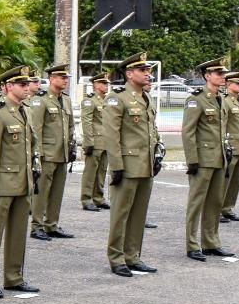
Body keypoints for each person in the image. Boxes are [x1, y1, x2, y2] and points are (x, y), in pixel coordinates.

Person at [0, 66, 39, 297]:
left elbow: (30, 148)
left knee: (18, 233)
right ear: (8, 86)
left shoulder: (26, 111)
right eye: (21, 84)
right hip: (2, 183)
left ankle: (14, 277)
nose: (26, 88)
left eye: (27, 84)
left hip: (23, 182)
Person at [105, 53, 161, 277]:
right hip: (127, 165)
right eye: (142, 70)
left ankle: (133, 255)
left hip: (145, 164)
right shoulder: (117, 98)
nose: (148, 74)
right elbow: (111, 135)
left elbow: (151, 131)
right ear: (129, 73)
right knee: (121, 214)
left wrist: (156, 155)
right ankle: (116, 257)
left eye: (148, 70)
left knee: (139, 214)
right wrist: (116, 166)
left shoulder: (145, 98)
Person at [180, 57, 233, 261]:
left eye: (223, 73)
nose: (223, 77)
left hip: (218, 158)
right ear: (207, 76)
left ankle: (211, 241)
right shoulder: (196, 99)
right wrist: (192, 160)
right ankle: (192, 244)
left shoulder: (221, 99)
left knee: (215, 202)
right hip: (202, 159)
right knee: (196, 203)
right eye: (218, 73)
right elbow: (188, 132)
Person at [28, 63, 74, 240]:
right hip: (47, 154)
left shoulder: (66, 99)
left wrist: (71, 146)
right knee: (42, 191)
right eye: (62, 78)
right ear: (52, 79)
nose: (65, 81)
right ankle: (37, 225)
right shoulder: (41, 100)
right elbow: (36, 129)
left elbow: (70, 126)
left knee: (57, 191)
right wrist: (37, 155)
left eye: (66, 78)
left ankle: (51, 224)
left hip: (62, 153)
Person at [79, 72, 111, 210]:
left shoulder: (106, 100)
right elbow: (86, 122)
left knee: (102, 171)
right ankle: (86, 199)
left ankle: (98, 197)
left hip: (106, 141)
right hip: (95, 141)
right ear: (96, 85)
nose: (107, 86)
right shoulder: (89, 100)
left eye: (107, 83)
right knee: (90, 172)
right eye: (104, 83)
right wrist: (89, 142)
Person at [220, 71, 239, 222]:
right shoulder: (226, 101)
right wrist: (225, 144)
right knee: (225, 180)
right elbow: (223, 125)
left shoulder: (238, 101)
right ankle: (217, 209)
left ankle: (227, 207)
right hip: (231, 146)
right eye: (237, 83)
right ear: (228, 85)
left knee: (236, 180)